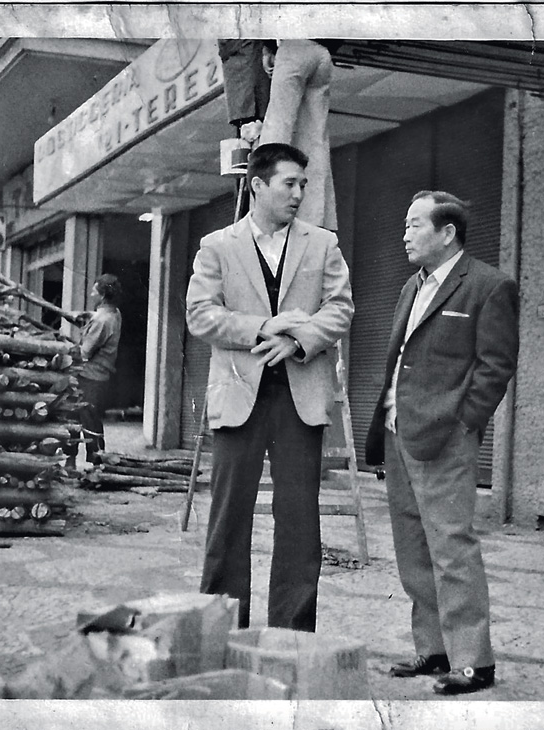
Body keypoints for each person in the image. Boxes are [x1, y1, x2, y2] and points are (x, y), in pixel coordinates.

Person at [186, 142, 354, 631]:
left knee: (300, 522)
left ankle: (293, 638)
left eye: (304, 184)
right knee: (227, 519)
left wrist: (298, 342)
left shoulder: (323, 244)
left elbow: (340, 309)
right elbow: (201, 315)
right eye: (289, 183)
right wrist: (266, 327)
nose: (300, 193)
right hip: (239, 395)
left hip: (300, 399)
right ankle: (220, 632)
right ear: (258, 185)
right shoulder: (217, 246)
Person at [364, 191, 518, 695]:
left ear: (447, 232)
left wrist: (466, 422)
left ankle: (475, 661)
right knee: (412, 547)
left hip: (446, 437)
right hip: (398, 432)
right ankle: (432, 650)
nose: (404, 235)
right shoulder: (413, 286)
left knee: (451, 546)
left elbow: (495, 365)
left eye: (414, 225)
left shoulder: (488, 286)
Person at [257, 39, 339, 231]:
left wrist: (268, 47)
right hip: (323, 53)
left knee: (277, 132)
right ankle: (314, 219)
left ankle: (269, 213)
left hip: (293, 46)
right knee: (315, 141)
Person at [71, 274, 123, 464]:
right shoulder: (115, 314)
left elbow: (85, 352)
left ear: (101, 295)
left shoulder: (101, 321)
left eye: (95, 290)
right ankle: (93, 460)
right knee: (90, 418)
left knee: (88, 421)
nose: (91, 293)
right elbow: (98, 317)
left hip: (89, 376)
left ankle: (97, 462)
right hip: (101, 377)